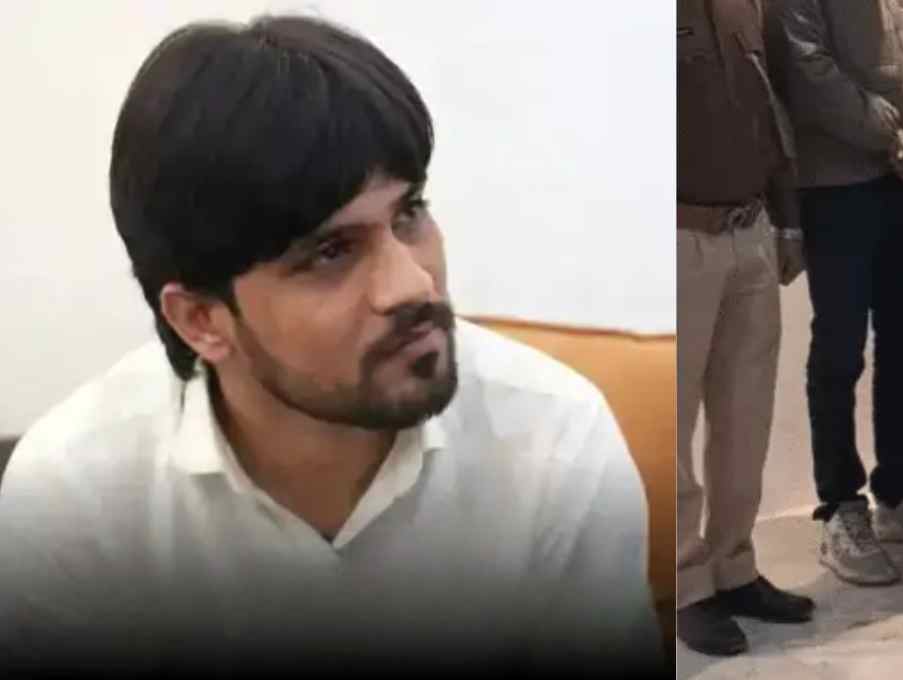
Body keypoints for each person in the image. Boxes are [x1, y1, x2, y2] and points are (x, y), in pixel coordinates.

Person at [0, 16, 661, 676]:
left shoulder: (553, 441)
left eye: (409, 214)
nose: (411, 283)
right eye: (330, 252)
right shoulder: (76, 498)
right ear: (201, 319)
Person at [765, 0, 903, 588]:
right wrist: (895, 136)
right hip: (836, 187)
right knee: (839, 350)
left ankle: (898, 489)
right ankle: (840, 507)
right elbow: (809, 71)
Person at [676, 0, 813, 659]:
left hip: (751, 234)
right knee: (668, 424)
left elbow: (771, 111)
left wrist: (789, 220)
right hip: (674, 240)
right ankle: (683, 584)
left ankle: (734, 565)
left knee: (745, 417)